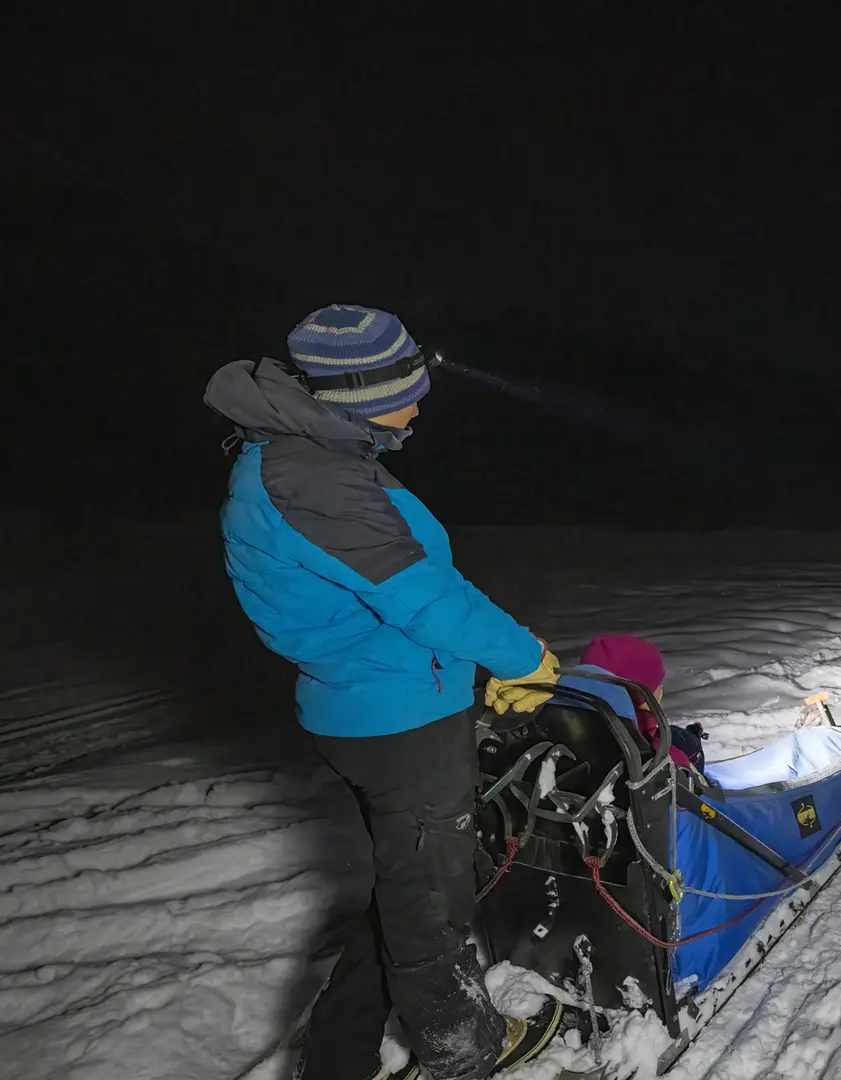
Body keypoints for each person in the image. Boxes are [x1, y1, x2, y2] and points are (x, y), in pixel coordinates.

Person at [203, 304, 563, 1080]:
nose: (422, 400)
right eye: (409, 386)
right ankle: (459, 1045)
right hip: (398, 720)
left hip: (382, 701)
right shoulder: (313, 477)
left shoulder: (312, 455)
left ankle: (337, 1052)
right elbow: (421, 594)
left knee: (413, 880)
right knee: (432, 895)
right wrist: (524, 657)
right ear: (356, 394)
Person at [577, 634, 706, 772]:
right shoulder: (661, 757)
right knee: (689, 745)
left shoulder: (581, 725)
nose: (661, 688)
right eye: (657, 684)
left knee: (680, 736)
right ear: (640, 694)